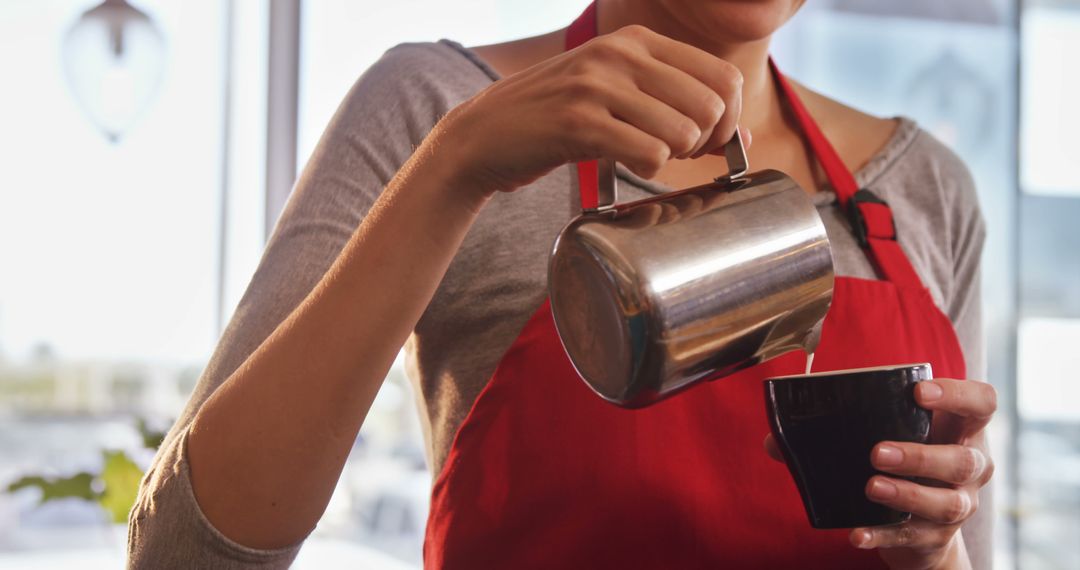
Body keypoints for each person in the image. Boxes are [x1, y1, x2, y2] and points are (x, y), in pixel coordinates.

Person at [127, 1, 996, 568]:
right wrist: (455, 168)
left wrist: (933, 552)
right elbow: (180, 555)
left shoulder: (924, 187)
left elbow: (968, 550)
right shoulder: (436, 111)